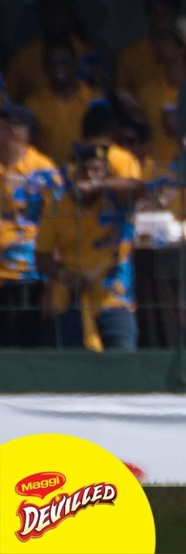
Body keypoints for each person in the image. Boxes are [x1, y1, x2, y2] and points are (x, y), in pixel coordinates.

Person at [35, 143, 141, 351]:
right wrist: (64, 275)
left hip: (115, 300)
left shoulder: (117, 202)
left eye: (97, 170)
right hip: (72, 299)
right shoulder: (58, 208)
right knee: (75, 364)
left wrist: (98, 185)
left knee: (122, 359)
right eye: (84, 170)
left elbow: (139, 188)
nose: (89, 176)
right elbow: (41, 256)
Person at [0, 103, 64, 347]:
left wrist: (52, 287)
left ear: (12, 131)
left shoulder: (43, 171)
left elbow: (59, 228)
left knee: (21, 346)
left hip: (26, 274)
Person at [135, 16, 186, 169]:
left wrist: (182, 127)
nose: (157, 45)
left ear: (183, 49)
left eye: (164, 40)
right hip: (151, 176)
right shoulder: (147, 91)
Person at [5, 0, 97, 104]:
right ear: (42, 16)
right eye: (51, 12)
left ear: (71, 16)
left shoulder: (86, 53)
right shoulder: (23, 58)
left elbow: (98, 94)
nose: (56, 17)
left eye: (61, 12)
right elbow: (8, 101)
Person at [24, 39, 104, 165]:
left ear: (75, 65)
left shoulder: (94, 99)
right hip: (45, 172)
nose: (59, 68)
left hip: (85, 170)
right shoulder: (33, 103)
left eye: (64, 62)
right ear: (45, 68)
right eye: (53, 64)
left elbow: (104, 140)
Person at [115, 0, 181, 96]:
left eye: (166, 12)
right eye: (154, 12)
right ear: (147, 15)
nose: (160, 18)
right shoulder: (130, 55)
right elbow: (120, 94)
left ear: (175, 15)